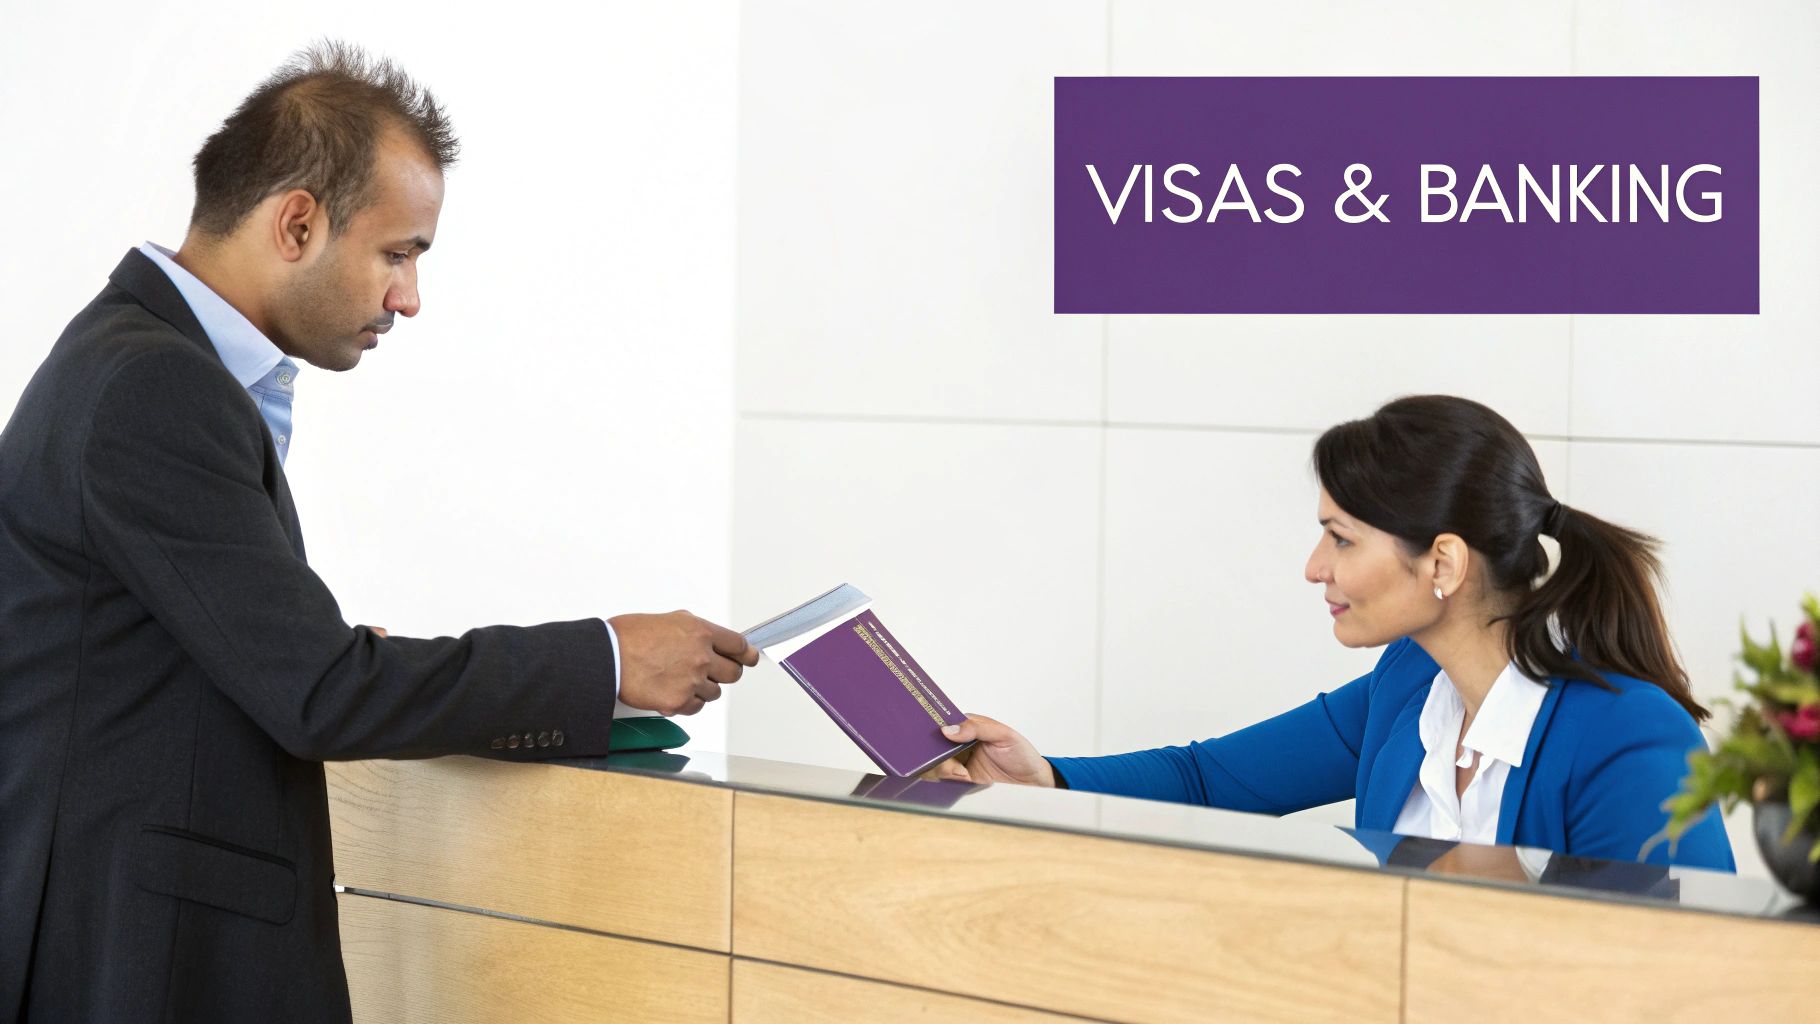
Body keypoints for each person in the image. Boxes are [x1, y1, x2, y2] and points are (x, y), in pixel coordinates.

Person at [0, 43, 757, 1023]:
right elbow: (320, 695)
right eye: (398, 253)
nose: (408, 297)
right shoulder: (156, 384)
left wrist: (314, 653)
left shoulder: (136, 359)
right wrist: (606, 657)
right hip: (138, 964)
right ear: (298, 223)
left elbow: (201, 655)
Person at [937, 395, 1735, 872]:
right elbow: (1209, 782)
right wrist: (1046, 780)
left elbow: (1686, 983)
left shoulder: (1628, 737)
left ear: (1443, 563)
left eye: (1341, 538)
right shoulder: (1409, 687)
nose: (1315, 567)